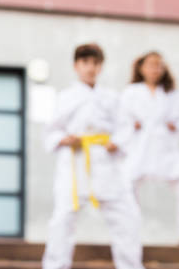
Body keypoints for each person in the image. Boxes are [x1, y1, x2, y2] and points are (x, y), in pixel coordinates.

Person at [42, 43, 144, 269]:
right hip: (74, 162)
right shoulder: (65, 97)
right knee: (62, 220)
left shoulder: (111, 97)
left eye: (95, 63)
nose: (90, 68)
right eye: (85, 62)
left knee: (126, 218)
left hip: (105, 162)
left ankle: (130, 265)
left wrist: (115, 142)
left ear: (101, 67)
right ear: (76, 66)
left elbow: (124, 127)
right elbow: (51, 129)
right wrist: (63, 139)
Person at [116, 51, 179, 246]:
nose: (155, 69)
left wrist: (175, 125)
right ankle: (129, 234)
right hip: (139, 149)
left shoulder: (173, 94)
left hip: (166, 150)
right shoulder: (131, 93)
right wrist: (131, 127)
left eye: (159, 65)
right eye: (150, 65)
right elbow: (121, 119)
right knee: (125, 189)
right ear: (141, 68)